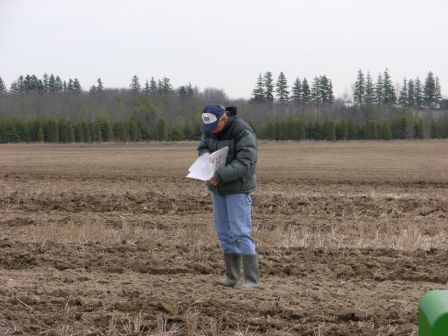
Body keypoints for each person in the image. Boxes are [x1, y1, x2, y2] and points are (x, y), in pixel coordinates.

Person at [197, 104, 260, 289]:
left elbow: (245, 162)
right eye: (208, 129)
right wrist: (206, 159)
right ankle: (232, 277)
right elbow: (202, 147)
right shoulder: (209, 130)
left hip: (237, 188)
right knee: (224, 233)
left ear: (223, 119)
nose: (212, 132)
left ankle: (251, 280)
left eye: (214, 127)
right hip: (218, 189)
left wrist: (220, 175)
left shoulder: (242, 131)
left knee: (240, 231)